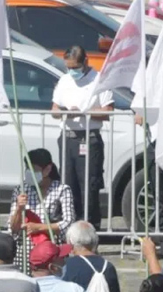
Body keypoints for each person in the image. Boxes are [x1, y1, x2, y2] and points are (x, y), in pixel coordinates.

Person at [52, 45, 114, 230]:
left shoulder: (99, 80)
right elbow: (54, 109)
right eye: (69, 67)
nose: (72, 71)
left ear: (85, 62)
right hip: (68, 137)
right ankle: (69, 226)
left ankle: (90, 227)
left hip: (88, 138)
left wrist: (84, 112)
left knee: (88, 185)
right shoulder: (64, 80)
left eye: (75, 67)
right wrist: (65, 112)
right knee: (67, 184)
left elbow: (108, 111)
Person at [9, 148, 75, 273]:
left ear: (47, 169)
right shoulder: (20, 190)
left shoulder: (62, 190)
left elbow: (68, 222)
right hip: (25, 252)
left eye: (34, 170)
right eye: (28, 169)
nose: (30, 173)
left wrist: (39, 227)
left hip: (50, 251)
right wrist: (18, 208)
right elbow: (13, 227)